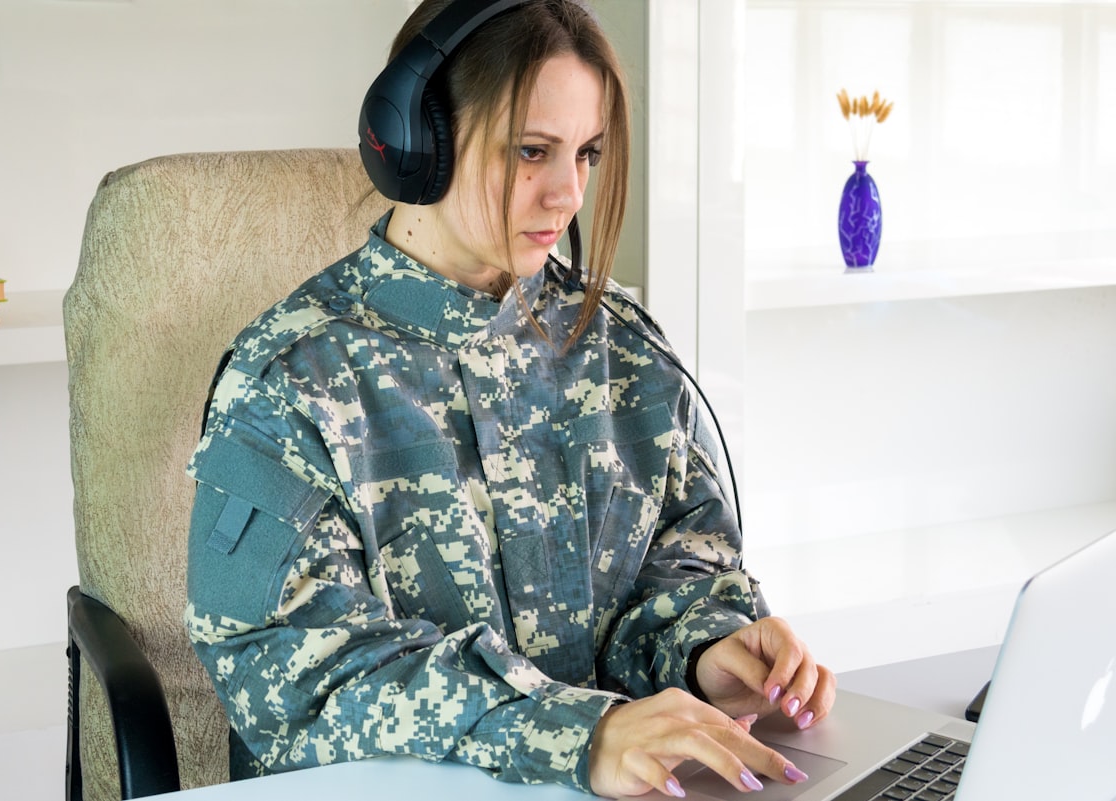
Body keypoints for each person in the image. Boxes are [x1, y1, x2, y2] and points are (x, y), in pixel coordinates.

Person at [184, 0, 836, 797]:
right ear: (421, 141)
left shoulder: (619, 344)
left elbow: (675, 559)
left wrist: (707, 645)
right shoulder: (291, 382)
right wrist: (575, 734)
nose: (567, 193)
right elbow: (297, 685)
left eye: (587, 153)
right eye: (534, 151)